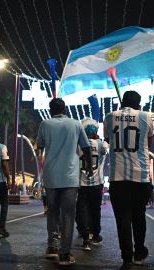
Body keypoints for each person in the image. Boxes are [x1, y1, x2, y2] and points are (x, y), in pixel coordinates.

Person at [36, 98, 93, 266]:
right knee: (68, 215)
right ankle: (65, 254)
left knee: (52, 213)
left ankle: (52, 247)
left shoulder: (45, 124)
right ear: (65, 109)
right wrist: (89, 166)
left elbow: (39, 145)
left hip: (51, 176)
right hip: (69, 177)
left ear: (50, 110)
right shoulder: (76, 124)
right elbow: (87, 147)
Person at [103, 90, 154, 269]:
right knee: (139, 216)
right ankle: (139, 252)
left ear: (122, 102)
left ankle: (126, 257)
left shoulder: (109, 117)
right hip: (140, 176)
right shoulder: (146, 117)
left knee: (122, 218)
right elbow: (149, 142)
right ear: (139, 104)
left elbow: (108, 140)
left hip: (118, 177)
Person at [75, 118, 109, 251]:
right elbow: (107, 147)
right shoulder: (101, 145)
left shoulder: (78, 145)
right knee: (95, 209)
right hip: (97, 182)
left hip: (81, 182)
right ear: (95, 131)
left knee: (82, 209)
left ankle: (85, 236)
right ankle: (95, 234)